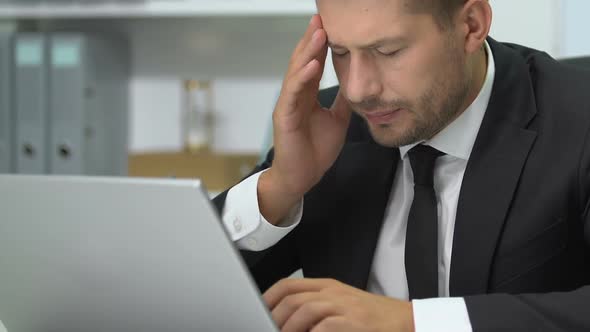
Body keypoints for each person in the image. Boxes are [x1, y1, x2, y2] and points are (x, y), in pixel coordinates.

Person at [212, 0, 590, 331]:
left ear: (472, 25)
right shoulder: (328, 126)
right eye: (340, 53)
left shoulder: (577, 120)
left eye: (388, 51)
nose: (359, 90)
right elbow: (181, 293)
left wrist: (411, 323)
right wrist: (281, 186)